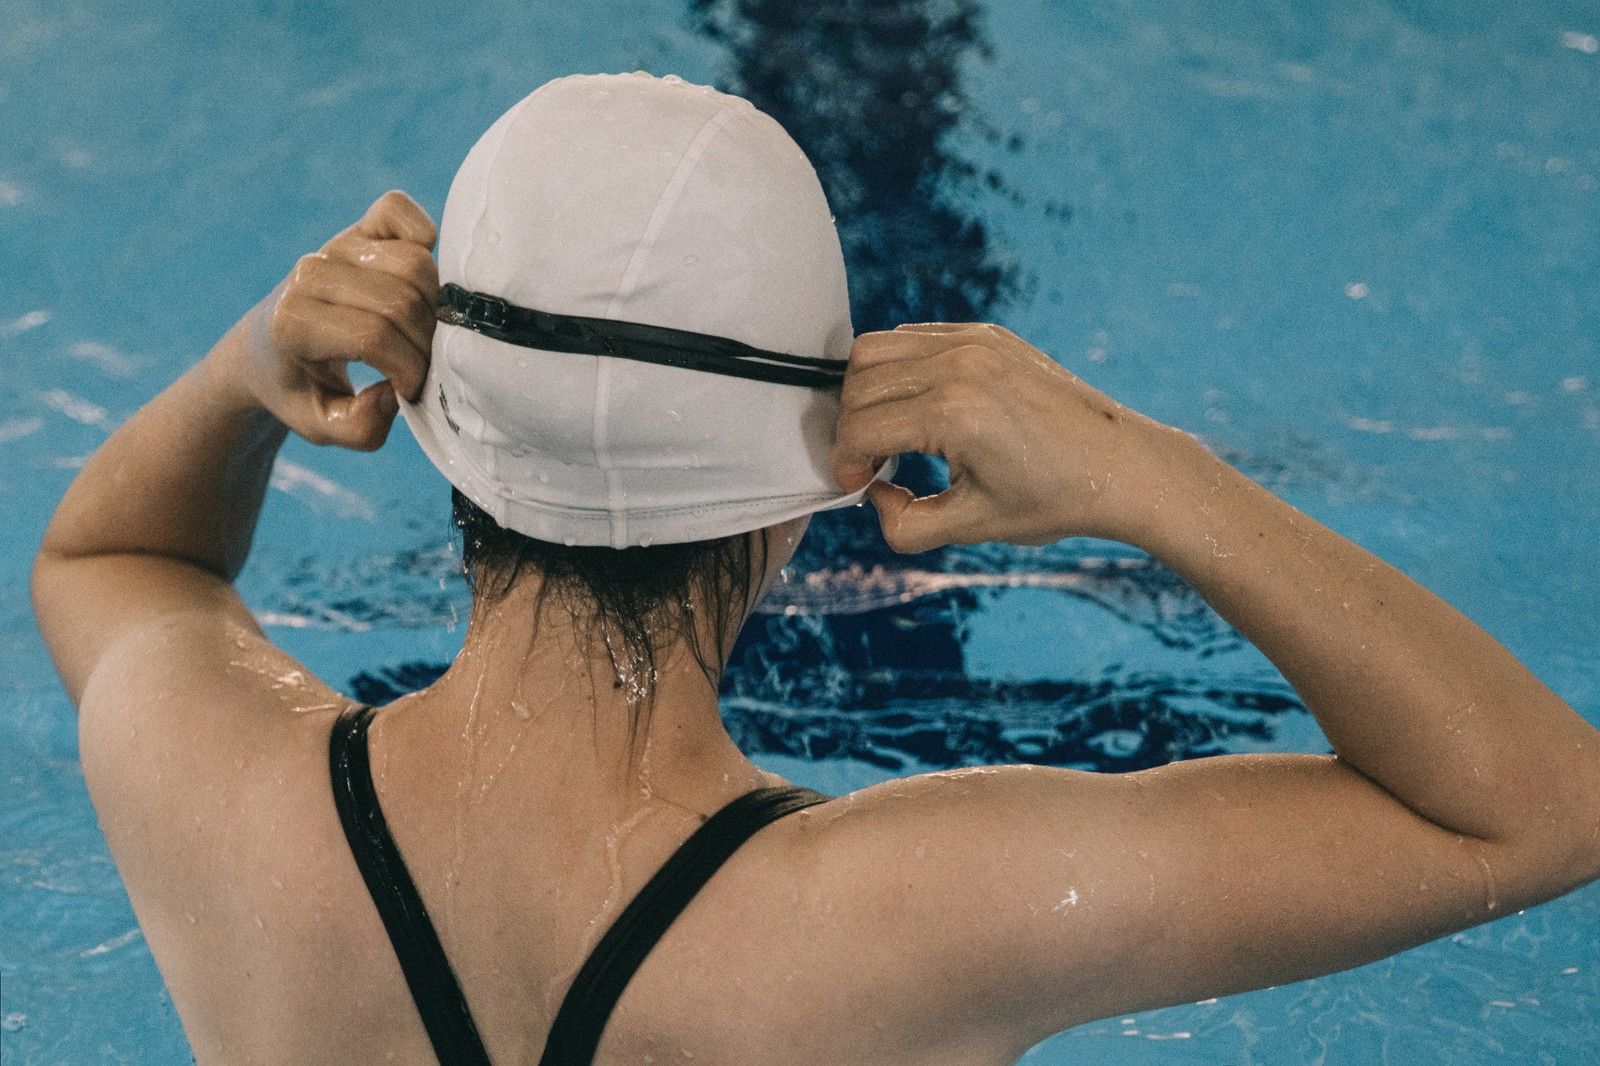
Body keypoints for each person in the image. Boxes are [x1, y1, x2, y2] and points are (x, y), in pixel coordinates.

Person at [32, 74, 1600, 1065]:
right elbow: (1536, 808)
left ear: (438, 421)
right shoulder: (904, 919)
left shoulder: (226, 798)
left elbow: (111, 551)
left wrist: (250, 359)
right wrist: (1139, 467)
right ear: (805, 494)